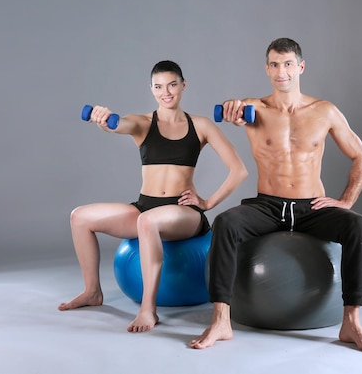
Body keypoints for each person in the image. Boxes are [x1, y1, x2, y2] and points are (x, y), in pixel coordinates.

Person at [189, 38, 362, 353]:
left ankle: (352, 322)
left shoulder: (325, 111)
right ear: (267, 69)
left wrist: (345, 202)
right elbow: (236, 112)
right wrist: (231, 107)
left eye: (288, 64)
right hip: (267, 205)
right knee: (225, 223)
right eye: (275, 65)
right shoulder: (254, 108)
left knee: (356, 225)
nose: (282, 72)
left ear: (301, 67)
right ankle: (221, 319)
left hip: (312, 207)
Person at [58, 60, 248, 333]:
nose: (166, 92)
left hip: (184, 213)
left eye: (172, 84)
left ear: (184, 85)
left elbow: (238, 170)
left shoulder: (201, 125)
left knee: (147, 222)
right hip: (145, 205)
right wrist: (103, 119)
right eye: (158, 87)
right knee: (80, 217)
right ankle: (92, 292)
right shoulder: (143, 123)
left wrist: (207, 203)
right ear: (151, 89)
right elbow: (117, 124)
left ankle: (148, 309)